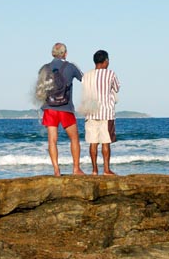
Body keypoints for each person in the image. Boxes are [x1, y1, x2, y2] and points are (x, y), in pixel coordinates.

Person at [35, 42, 85, 177]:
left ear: (52, 54)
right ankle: (76, 169)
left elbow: (39, 89)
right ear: (65, 53)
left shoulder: (44, 68)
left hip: (49, 108)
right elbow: (85, 79)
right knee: (74, 138)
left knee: (52, 140)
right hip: (66, 108)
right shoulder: (71, 67)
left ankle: (56, 170)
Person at [81, 50, 120, 175]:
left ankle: (94, 170)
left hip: (90, 112)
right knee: (106, 142)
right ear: (105, 61)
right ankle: (106, 170)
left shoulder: (86, 76)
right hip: (106, 112)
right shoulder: (110, 74)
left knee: (93, 142)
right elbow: (117, 88)